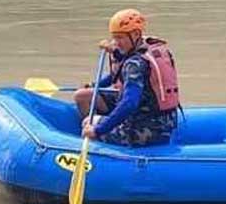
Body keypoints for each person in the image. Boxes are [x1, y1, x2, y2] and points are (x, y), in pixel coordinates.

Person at [72, 8, 181, 147]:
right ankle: (102, 128)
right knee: (83, 96)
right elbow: (118, 73)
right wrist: (94, 85)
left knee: (88, 121)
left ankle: (95, 143)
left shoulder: (135, 63)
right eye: (114, 37)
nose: (116, 42)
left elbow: (129, 104)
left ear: (135, 34)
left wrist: (97, 130)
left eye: (120, 38)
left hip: (145, 130)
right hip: (164, 122)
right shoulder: (152, 49)